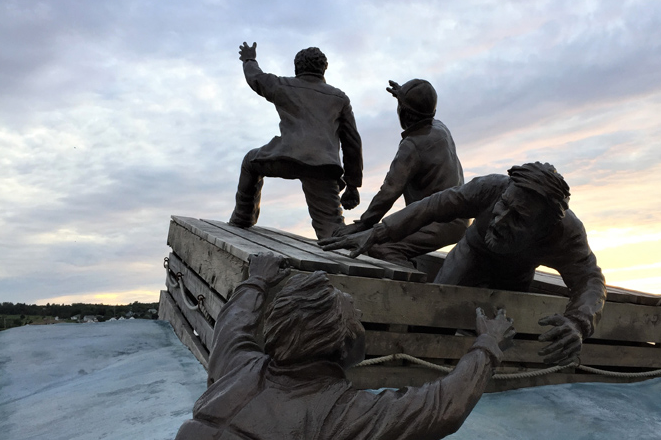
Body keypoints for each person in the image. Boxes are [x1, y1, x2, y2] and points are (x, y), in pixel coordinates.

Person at [125, 253, 516, 440]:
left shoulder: (238, 366)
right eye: (357, 318)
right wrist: (488, 345)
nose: (362, 323)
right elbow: (442, 407)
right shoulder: (344, 418)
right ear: (342, 341)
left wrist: (257, 279)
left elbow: (234, 321)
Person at [320, 162, 607, 366]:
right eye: (503, 205)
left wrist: (578, 322)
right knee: (434, 318)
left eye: (518, 217)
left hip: (515, 276)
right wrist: (379, 232)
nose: (500, 219)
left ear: (543, 228)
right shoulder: (491, 187)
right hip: (472, 255)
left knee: (505, 343)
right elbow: (433, 206)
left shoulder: (565, 233)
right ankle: (419, 371)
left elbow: (590, 278)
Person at [228, 43, 363, 239]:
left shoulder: (283, 85)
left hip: (286, 157)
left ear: (297, 67)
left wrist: (249, 59)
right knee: (332, 231)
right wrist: (352, 185)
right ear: (323, 69)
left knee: (250, 162)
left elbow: (255, 78)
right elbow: (352, 143)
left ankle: (243, 217)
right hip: (323, 167)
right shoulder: (339, 98)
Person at [335, 79, 467, 264]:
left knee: (378, 248)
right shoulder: (440, 128)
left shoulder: (412, 146)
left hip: (438, 223)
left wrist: (363, 225)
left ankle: (413, 288)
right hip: (457, 220)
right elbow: (424, 109)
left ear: (403, 113)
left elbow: (389, 192)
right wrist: (406, 97)